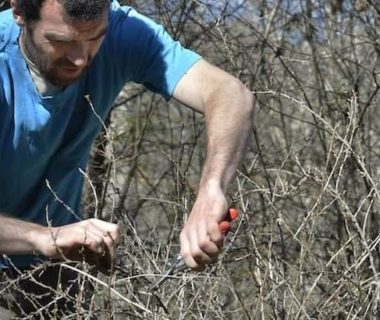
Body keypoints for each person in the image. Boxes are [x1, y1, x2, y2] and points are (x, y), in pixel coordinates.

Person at [0, 0, 253, 317]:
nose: (80, 58)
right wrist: (41, 236)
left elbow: (230, 94)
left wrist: (211, 189)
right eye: (60, 41)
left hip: (52, 270)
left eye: (95, 38)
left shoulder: (123, 31)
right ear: (20, 14)